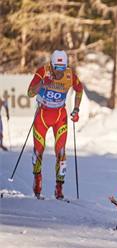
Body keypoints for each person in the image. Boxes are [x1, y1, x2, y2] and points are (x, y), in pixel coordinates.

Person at [27, 50, 83, 200]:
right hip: (42, 115)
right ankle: (37, 180)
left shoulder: (70, 75)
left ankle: (59, 187)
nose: (59, 73)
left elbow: (79, 89)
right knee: (39, 150)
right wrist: (42, 84)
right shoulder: (43, 72)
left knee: (61, 152)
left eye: (62, 69)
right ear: (51, 66)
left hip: (60, 116)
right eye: (57, 69)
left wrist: (76, 109)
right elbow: (30, 93)